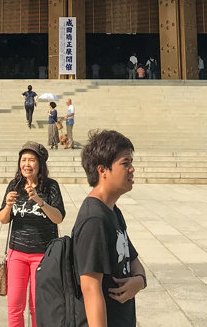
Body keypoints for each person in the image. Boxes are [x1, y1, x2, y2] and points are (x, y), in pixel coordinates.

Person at [74, 130, 147, 327]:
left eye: (131, 163)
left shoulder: (112, 210)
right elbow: (90, 287)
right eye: (125, 163)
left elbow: (132, 259)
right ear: (102, 170)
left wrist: (139, 281)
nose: (132, 169)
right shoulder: (94, 218)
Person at [0, 142, 65, 327]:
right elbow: (3, 219)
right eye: (23, 160)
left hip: (43, 255)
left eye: (32, 160)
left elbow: (58, 218)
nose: (27, 164)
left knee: (38, 307)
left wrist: (39, 200)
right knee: (14, 306)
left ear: (41, 164)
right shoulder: (15, 185)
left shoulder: (51, 187)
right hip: (17, 253)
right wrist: (8, 206)